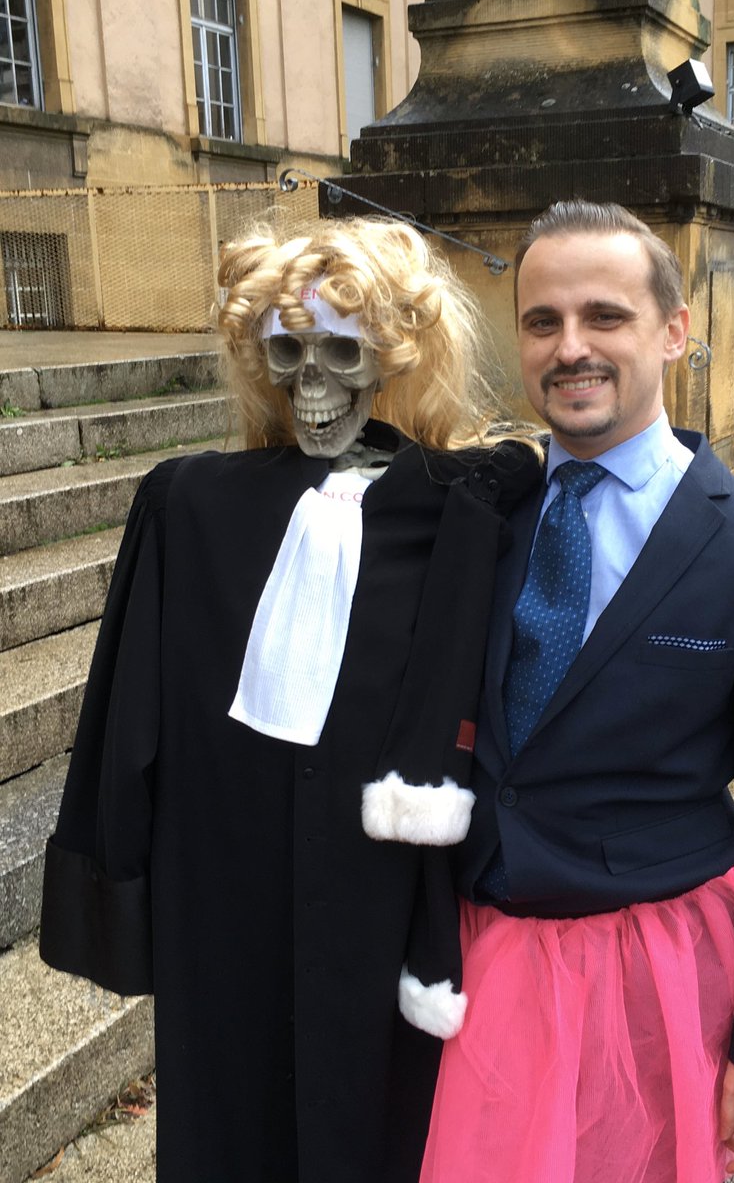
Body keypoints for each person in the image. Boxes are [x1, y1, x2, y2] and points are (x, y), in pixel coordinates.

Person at [38, 218, 541, 1183]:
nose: (312, 381)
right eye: (287, 352)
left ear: (396, 356)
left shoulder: (471, 508)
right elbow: (123, 719)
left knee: (389, 1119)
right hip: (221, 894)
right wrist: (120, 893)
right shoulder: (182, 507)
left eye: (342, 352)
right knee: (235, 1116)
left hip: (386, 900)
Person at [420, 201, 734, 1183]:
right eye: (541, 321)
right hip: (472, 961)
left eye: (603, 316)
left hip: (645, 979)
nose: (569, 346)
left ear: (672, 331)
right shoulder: (479, 517)